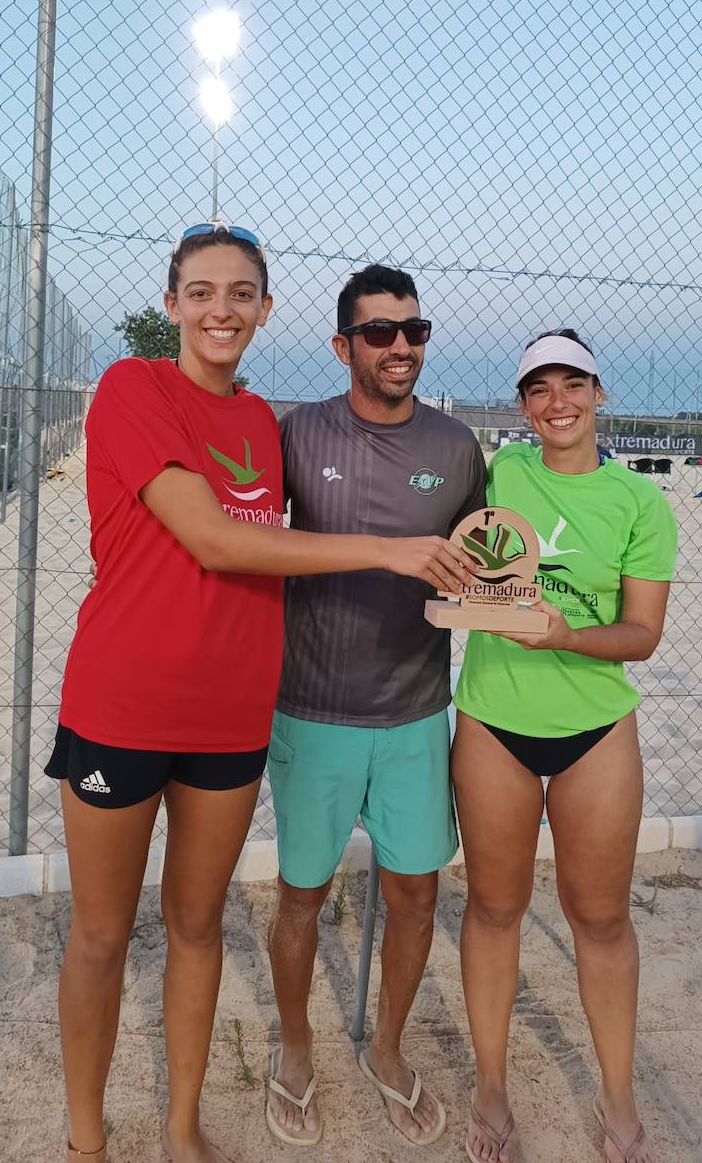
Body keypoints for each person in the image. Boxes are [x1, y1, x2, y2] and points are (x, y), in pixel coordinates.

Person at [48, 226, 474, 1163]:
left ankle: (182, 1125)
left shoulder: (255, 423)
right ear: (171, 306)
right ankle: (86, 1141)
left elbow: (315, 528)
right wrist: (386, 550)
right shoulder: (134, 387)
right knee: (102, 934)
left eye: (241, 294)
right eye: (200, 292)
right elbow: (217, 541)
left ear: (266, 310)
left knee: (198, 925)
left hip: (233, 715)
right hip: (123, 705)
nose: (220, 310)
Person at [264, 265, 487, 1148]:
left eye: (414, 330)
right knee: (298, 901)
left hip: (415, 711)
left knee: (417, 896)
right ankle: (291, 1046)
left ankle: (387, 1049)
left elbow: (487, 568)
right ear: (342, 345)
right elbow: (247, 535)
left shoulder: (457, 447)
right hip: (310, 709)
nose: (401, 346)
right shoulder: (297, 431)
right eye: (380, 332)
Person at [452, 329, 677, 1163]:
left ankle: (617, 1100)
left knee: (601, 918)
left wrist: (564, 636)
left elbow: (641, 635)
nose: (557, 402)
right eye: (538, 388)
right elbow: (455, 553)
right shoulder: (499, 473)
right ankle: (490, 1090)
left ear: (598, 392)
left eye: (572, 384)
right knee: (495, 908)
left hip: (595, 730)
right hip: (492, 722)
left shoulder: (638, 502)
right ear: (521, 405)